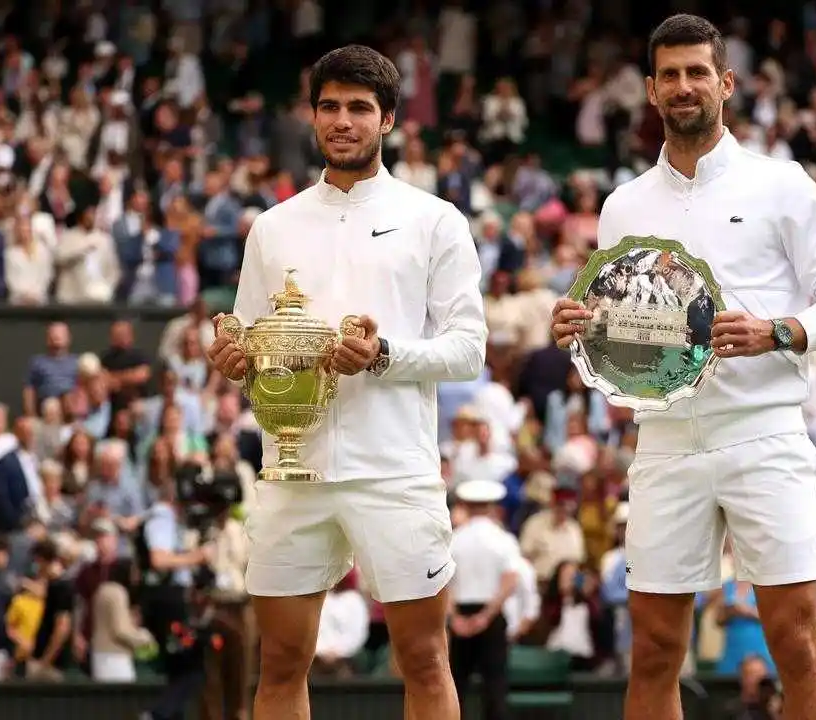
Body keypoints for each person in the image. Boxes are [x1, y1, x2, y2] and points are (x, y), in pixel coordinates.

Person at [550, 14, 816, 720]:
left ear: (725, 83)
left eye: (698, 72)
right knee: (656, 648)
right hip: (665, 441)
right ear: (651, 89)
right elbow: (621, 345)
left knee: (795, 640)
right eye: (670, 74)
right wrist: (581, 333)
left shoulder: (782, 184)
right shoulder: (622, 206)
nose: (684, 85)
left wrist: (780, 330)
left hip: (764, 432)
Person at [204, 44, 486, 720]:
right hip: (288, 469)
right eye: (329, 106)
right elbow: (246, 338)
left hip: (394, 469)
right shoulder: (272, 227)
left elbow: (468, 350)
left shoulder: (435, 219)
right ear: (313, 116)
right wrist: (235, 360)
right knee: (278, 665)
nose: (342, 120)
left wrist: (383, 353)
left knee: (422, 659)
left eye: (359, 108)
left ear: (388, 119)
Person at [449, 479, 521, 720]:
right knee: (495, 686)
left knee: (456, 686)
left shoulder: (454, 539)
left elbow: (443, 583)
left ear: (466, 505)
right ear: (492, 506)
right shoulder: (504, 539)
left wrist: (455, 618)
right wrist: (486, 616)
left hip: (461, 613)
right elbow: (510, 581)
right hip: (491, 616)